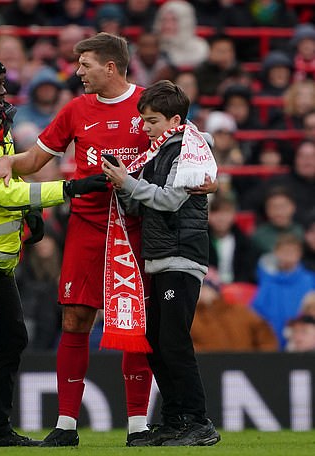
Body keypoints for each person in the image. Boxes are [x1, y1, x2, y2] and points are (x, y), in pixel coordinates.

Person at [0, 33, 157, 447]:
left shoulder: (150, 103)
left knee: (134, 326)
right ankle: (65, 426)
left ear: (110, 67)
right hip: (88, 227)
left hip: (136, 230)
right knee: (74, 319)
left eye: (85, 65)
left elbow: (183, 146)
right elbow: (35, 161)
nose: (78, 73)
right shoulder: (75, 110)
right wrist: (8, 159)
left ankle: (138, 428)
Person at [0, 46, 110, 449]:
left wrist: (29, 217)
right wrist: (70, 188)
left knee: (11, 338)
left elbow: (10, 184)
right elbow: (0, 192)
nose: (3, 93)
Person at [102, 79, 220, 446]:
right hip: (162, 256)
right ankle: (174, 420)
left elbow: (170, 200)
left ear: (174, 119)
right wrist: (122, 184)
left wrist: (129, 182)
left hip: (181, 255)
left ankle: (197, 421)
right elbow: (147, 202)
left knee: (173, 341)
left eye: (152, 120)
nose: (145, 127)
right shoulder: (162, 150)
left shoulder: (188, 150)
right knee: (157, 340)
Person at [191, 270, 278, 352]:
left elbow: (266, 338)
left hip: (245, 365)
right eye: (198, 287)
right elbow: (185, 349)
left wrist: (258, 362)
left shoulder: (240, 311)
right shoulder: (189, 318)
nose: (202, 292)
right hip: (208, 366)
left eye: (205, 287)